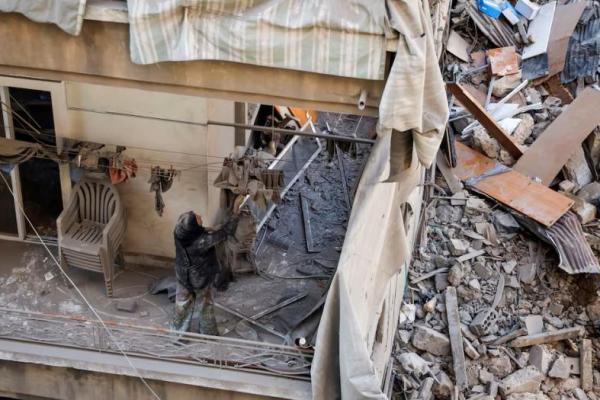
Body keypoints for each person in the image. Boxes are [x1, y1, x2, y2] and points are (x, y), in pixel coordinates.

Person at [170, 210, 237, 335]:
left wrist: (207, 229)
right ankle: (208, 332)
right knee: (205, 305)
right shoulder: (202, 241)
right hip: (200, 278)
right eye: (197, 218)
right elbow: (227, 232)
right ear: (194, 226)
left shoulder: (179, 232)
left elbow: (199, 232)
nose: (200, 216)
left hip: (182, 276)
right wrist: (235, 213)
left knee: (181, 305)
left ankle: (177, 335)